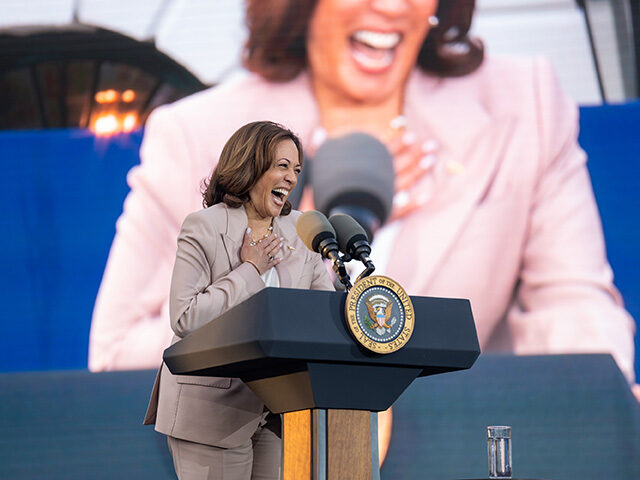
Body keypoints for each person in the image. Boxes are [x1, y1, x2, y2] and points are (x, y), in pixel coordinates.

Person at [90, 0, 637, 396]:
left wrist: (599, 398)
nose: (390, 6)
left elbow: (573, 305)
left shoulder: (526, 103)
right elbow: (116, 354)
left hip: (455, 446)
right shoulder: (196, 133)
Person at [142, 121, 334, 479]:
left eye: (296, 169)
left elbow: (321, 310)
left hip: (276, 408)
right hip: (211, 409)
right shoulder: (204, 226)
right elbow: (186, 318)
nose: (291, 178)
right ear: (251, 164)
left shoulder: (301, 230)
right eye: (281, 166)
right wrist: (249, 269)